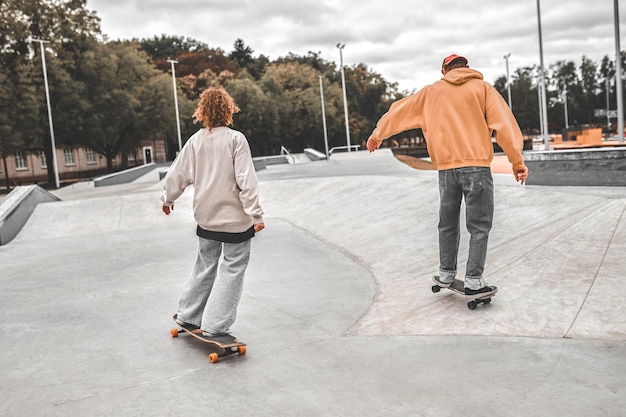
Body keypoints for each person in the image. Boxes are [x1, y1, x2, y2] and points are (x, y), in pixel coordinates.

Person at [366, 54, 528, 295]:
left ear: (445, 70)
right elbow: (504, 125)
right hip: (477, 168)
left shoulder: (431, 92)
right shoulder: (483, 89)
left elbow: (400, 110)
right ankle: (473, 279)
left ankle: (446, 273)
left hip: (445, 171)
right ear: (466, 67)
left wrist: (378, 133)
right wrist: (517, 162)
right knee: (479, 226)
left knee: (447, 224)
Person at [161, 87, 264, 336]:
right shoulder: (235, 139)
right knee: (233, 266)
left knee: (205, 264)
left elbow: (178, 172)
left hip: (206, 219)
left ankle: (188, 315)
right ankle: (216, 325)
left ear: (202, 111)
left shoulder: (195, 141)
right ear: (228, 110)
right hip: (234, 221)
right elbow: (246, 180)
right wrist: (256, 214)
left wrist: (168, 198)